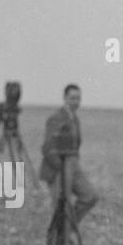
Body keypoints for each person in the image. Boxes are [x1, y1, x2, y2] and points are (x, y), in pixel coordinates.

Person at [40, 84, 99, 234]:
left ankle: (67, 230)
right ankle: (57, 244)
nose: (75, 102)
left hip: (72, 165)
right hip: (57, 168)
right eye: (72, 98)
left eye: (78, 98)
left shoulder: (75, 119)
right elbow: (48, 148)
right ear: (65, 98)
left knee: (90, 196)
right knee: (62, 206)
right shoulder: (56, 118)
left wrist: (73, 166)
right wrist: (61, 168)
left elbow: (76, 144)